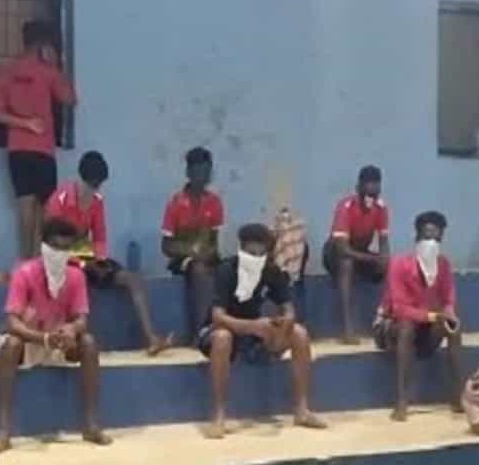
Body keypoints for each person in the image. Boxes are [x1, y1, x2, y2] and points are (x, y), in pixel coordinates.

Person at [0, 217, 109, 455]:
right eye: (55, 247)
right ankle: (3, 432)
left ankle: (91, 425)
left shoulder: (76, 276)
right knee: (10, 345)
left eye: (65, 248)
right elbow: (12, 322)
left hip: (58, 341)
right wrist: (41, 338)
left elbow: (81, 319)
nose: (59, 253)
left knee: (88, 342)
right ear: (43, 246)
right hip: (29, 338)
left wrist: (71, 329)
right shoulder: (24, 273)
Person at [198, 223, 327, 437]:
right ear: (241, 249)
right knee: (222, 338)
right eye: (251, 253)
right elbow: (217, 316)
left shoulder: (271, 271)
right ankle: (219, 416)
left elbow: (289, 310)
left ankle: (302, 410)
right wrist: (254, 326)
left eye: (261, 253)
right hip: (220, 329)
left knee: (300, 333)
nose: (256, 258)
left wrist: (282, 326)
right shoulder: (226, 270)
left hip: (255, 330)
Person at [46, 151, 173, 356]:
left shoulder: (97, 201)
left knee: (133, 279)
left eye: (98, 185)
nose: (94, 190)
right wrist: (81, 263)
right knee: (79, 280)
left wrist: (99, 259)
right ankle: (79, 344)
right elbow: (52, 244)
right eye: (91, 185)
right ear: (81, 180)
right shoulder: (59, 200)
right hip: (61, 260)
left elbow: (99, 238)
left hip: (86, 256)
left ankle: (152, 338)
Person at [0, 20, 77, 259]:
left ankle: (25, 262)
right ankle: (41, 262)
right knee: (46, 209)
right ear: (43, 44)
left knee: (25, 207)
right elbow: (70, 99)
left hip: (17, 150)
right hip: (42, 149)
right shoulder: (47, 71)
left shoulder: (8, 70)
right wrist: (56, 66)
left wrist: (23, 123)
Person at [374, 211, 465, 422]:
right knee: (406, 326)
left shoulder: (443, 265)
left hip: (425, 329)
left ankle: (457, 396)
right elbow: (399, 309)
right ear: (417, 237)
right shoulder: (399, 264)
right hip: (392, 327)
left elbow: (449, 299)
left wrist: (449, 313)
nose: (431, 242)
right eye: (427, 236)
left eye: (436, 238)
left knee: (454, 327)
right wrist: (433, 316)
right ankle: (402, 401)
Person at [161, 147, 224, 342]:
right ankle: (200, 333)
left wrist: (208, 253)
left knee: (231, 270)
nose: (203, 177)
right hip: (181, 259)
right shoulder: (176, 203)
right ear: (188, 173)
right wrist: (191, 252)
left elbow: (214, 243)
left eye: (207, 172)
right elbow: (166, 246)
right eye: (198, 172)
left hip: (207, 257)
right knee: (198, 270)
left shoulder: (215, 202)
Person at [323, 165, 391, 343]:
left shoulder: (381, 207)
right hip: (335, 254)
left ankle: (386, 323)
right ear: (358, 188)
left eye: (374, 194)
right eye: (367, 193)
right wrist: (372, 259)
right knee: (347, 263)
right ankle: (348, 329)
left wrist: (384, 259)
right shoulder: (345, 206)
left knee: (391, 267)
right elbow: (342, 249)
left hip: (361, 253)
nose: (370, 198)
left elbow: (384, 242)